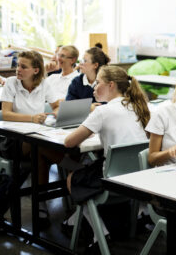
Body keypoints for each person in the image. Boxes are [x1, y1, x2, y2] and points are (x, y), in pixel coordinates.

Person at [64, 66, 150, 202]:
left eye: (98, 83)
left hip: (112, 177)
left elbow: (69, 142)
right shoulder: (142, 106)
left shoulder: (102, 111)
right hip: (141, 172)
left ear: (111, 85)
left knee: (72, 177)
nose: (94, 86)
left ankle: (84, 219)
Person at [0, 50, 62, 223]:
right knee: (39, 147)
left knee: (40, 155)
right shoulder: (11, 83)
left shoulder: (44, 83)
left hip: (38, 135)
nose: (18, 69)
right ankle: (71, 167)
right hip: (14, 140)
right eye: (18, 65)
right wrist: (33, 118)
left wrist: (53, 114)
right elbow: (6, 114)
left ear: (35, 70)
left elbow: (56, 106)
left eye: (23, 67)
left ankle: (40, 205)